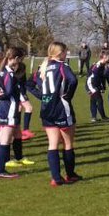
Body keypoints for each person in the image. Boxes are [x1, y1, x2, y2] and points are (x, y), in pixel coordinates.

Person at [29, 41, 80, 186]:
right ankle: (70, 175)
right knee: (68, 143)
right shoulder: (62, 66)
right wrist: (68, 95)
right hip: (61, 108)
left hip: (46, 109)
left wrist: (43, 96)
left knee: (52, 144)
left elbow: (29, 83)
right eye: (65, 51)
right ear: (60, 53)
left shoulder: (42, 67)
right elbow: (73, 80)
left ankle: (56, 177)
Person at [0, 46, 27, 179]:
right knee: (5, 139)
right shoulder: (8, 73)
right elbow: (9, 92)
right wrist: (1, 95)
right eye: (20, 59)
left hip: (3, 109)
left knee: (1, 139)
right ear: (16, 58)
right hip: (9, 108)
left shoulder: (1, 71)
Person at [86, 50, 109, 122]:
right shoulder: (97, 65)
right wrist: (89, 88)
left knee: (93, 100)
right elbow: (92, 75)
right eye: (108, 57)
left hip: (95, 84)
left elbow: (101, 77)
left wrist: (102, 87)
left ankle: (94, 117)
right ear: (104, 58)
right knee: (99, 100)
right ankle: (103, 117)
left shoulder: (102, 66)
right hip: (92, 84)